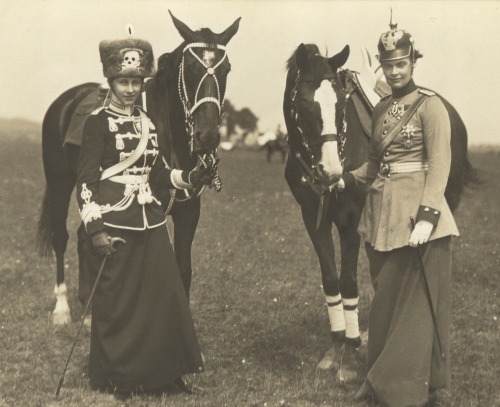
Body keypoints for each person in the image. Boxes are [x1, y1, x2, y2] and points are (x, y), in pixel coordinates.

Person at [76, 31, 213, 398]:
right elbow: (85, 182)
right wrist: (95, 229)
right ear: (111, 80)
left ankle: (164, 373)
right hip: (114, 221)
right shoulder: (97, 122)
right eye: (124, 81)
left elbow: (158, 172)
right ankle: (118, 376)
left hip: (149, 219)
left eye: (137, 81)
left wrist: (191, 177)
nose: (131, 89)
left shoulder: (148, 122)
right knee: (117, 303)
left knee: (164, 297)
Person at [336, 15, 459, 407]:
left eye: (401, 64)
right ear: (382, 66)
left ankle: (408, 389)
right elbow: (374, 165)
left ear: (412, 63)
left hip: (418, 220)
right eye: (388, 65)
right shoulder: (381, 109)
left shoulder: (430, 105)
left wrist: (428, 215)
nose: (394, 70)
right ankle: (379, 380)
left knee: (416, 307)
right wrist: (347, 181)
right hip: (382, 216)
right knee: (386, 304)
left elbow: (440, 163)